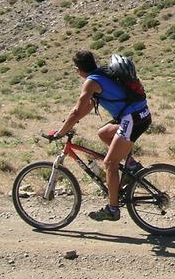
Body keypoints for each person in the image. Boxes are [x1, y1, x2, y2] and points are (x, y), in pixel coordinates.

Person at [52, 50, 151, 222]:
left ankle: (113, 209)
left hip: (132, 119)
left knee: (110, 163)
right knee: (104, 133)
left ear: (78, 69)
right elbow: (88, 106)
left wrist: (61, 132)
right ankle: (132, 166)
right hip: (141, 114)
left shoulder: (91, 82)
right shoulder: (101, 74)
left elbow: (76, 111)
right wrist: (71, 123)